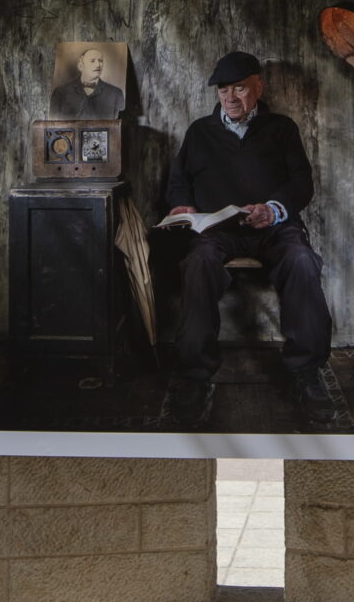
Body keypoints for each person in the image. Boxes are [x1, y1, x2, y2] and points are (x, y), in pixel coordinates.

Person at [165, 51, 339, 426]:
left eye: (240, 88)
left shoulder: (281, 128)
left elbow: (302, 184)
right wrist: (181, 207)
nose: (230, 98)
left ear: (258, 87)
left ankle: (306, 372)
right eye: (223, 90)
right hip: (218, 231)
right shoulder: (200, 132)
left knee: (303, 262)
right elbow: (179, 183)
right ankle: (196, 377)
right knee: (197, 264)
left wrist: (274, 209)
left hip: (273, 227)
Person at [49, 46, 125, 120]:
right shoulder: (60, 93)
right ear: (81, 66)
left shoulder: (115, 94)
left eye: (100, 61)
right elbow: (52, 126)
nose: (98, 65)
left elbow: (119, 128)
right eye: (92, 61)